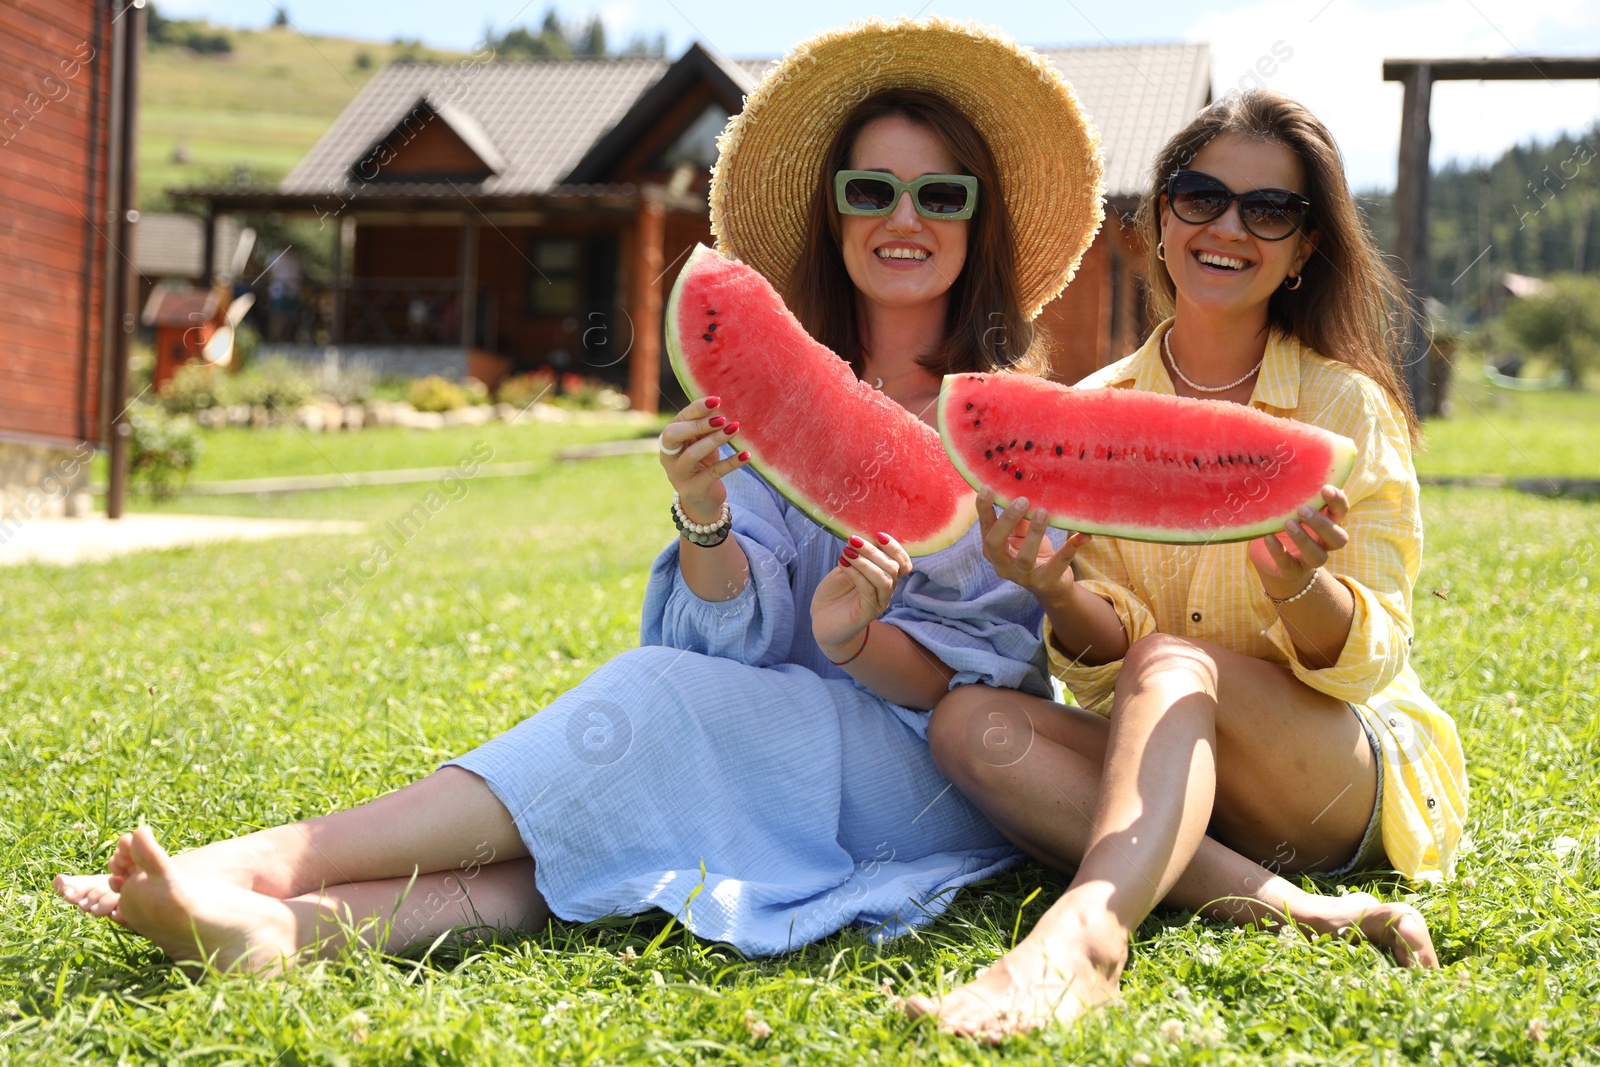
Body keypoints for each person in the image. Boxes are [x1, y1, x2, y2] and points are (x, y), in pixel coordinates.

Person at [51, 18, 1108, 974]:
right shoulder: (774, 402)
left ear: (979, 221)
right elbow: (732, 641)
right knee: (601, 837)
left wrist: (851, 640)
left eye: (941, 193)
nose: (903, 218)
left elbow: (975, 691)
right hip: (758, 724)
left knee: (657, 703)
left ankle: (259, 860)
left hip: (922, 779)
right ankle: (280, 929)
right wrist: (702, 510)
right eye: (869, 190)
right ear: (835, 216)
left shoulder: (1019, 426)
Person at [906, 89, 1468, 1038]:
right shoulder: (1093, 412)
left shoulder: (1346, 412)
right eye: (1200, 196)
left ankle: (1086, 936)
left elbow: (1372, 662)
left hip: (1335, 779)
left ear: (1304, 250)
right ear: (1161, 220)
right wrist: (1054, 585)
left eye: (1270, 210)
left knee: (1169, 660)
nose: (1228, 227)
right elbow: (1105, 651)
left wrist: (1301, 587)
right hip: (1176, 773)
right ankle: (1307, 911)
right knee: (969, 723)